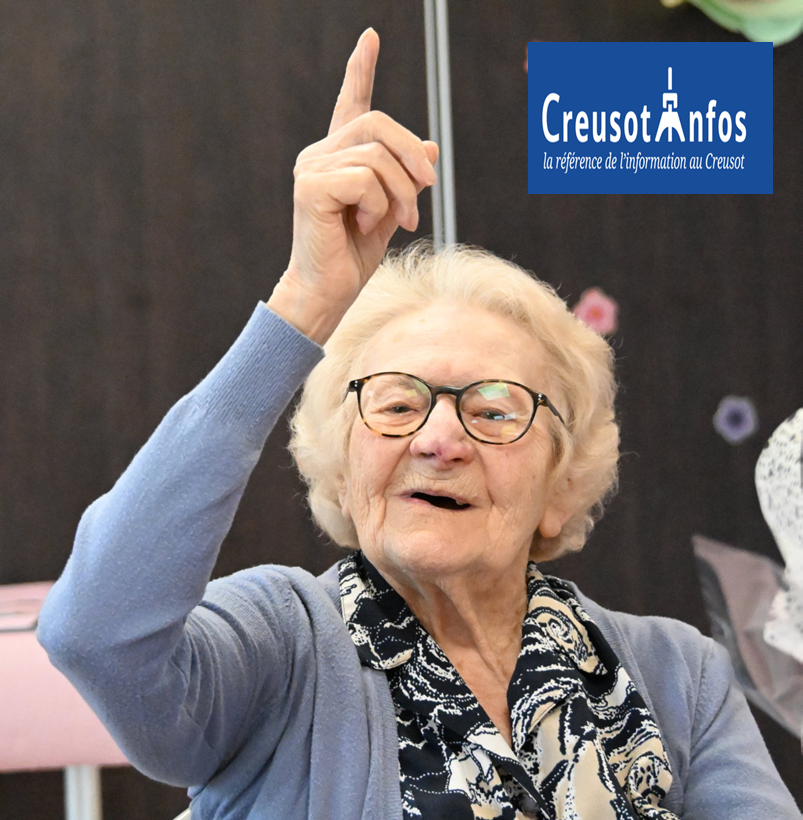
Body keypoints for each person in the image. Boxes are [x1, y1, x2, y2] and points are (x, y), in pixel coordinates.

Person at [37, 29, 799, 820]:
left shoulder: (679, 674)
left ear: (559, 487)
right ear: (343, 464)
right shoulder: (279, 649)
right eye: (397, 405)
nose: (439, 440)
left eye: (493, 410)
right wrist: (305, 299)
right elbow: (96, 634)